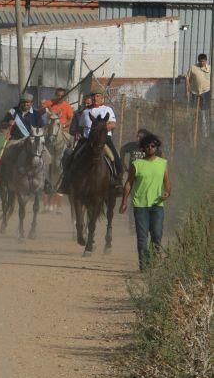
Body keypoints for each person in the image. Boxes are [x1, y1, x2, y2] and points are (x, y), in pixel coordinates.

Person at [59, 83, 123, 194]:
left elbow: (113, 124)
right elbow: (81, 127)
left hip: (104, 140)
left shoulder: (107, 109)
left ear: (102, 98)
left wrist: (100, 129)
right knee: (71, 157)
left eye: (98, 96)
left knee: (115, 159)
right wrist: (78, 132)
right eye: (93, 96)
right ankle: (66, 183)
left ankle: (117, 183)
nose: (95, 98)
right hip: (87, 140)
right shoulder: (85, 112)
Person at [120, 132, 171, 271]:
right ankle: (144, 266)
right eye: (147, 146)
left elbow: (167, 183)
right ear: (143, 148)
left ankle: (153, 261)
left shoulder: (163, 164)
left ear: (156, 147)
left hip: (157, 206)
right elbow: (129, 183)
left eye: (152, 146)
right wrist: (124, 201)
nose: (150, 148)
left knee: (157, 235)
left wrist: (167, 193)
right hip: (140, 206)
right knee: (142, 238)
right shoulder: (136, 164)